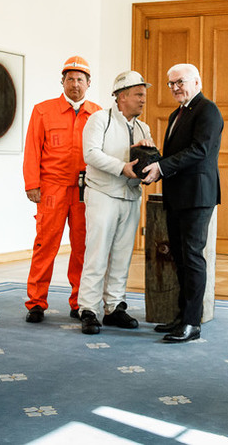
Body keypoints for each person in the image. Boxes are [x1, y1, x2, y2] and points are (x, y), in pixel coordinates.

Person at [142, 64, 224, 344]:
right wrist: (150, 153)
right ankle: (181, 316)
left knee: (191, 257)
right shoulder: (177, 114)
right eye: (171, 83)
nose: (175, 87)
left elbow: (200, 151)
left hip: (198, 196)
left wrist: (161, 167)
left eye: (180, 82)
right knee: (179, 258)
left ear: (197, 81)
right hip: (177, 195)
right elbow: (175, 154)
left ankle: (192, 323)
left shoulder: (208, 110)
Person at [22, 56, 102, 323]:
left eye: (80, 79)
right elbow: (32, 149)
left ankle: (80, 301)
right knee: (45, 245)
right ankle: (36, 302)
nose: (75, 84)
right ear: (62, 81)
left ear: (88, 83)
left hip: (85, 190)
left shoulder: (99, 114)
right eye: (70, 79)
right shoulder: (43, 111)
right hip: (51, 189)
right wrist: (32, 184)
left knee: (83, 247)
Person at [78, 70, 154, 335]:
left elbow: (147, 162)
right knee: (97, 253)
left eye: (144, 95)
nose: (144, 100)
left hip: (131, 197)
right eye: (139, 95)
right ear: (122, 96)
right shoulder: (100, 119)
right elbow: (90, 154)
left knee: (122, 255)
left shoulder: (144, 127)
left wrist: (147, 160)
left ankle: (114, 307)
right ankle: (88, 309)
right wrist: (122, 167)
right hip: (102, 194)